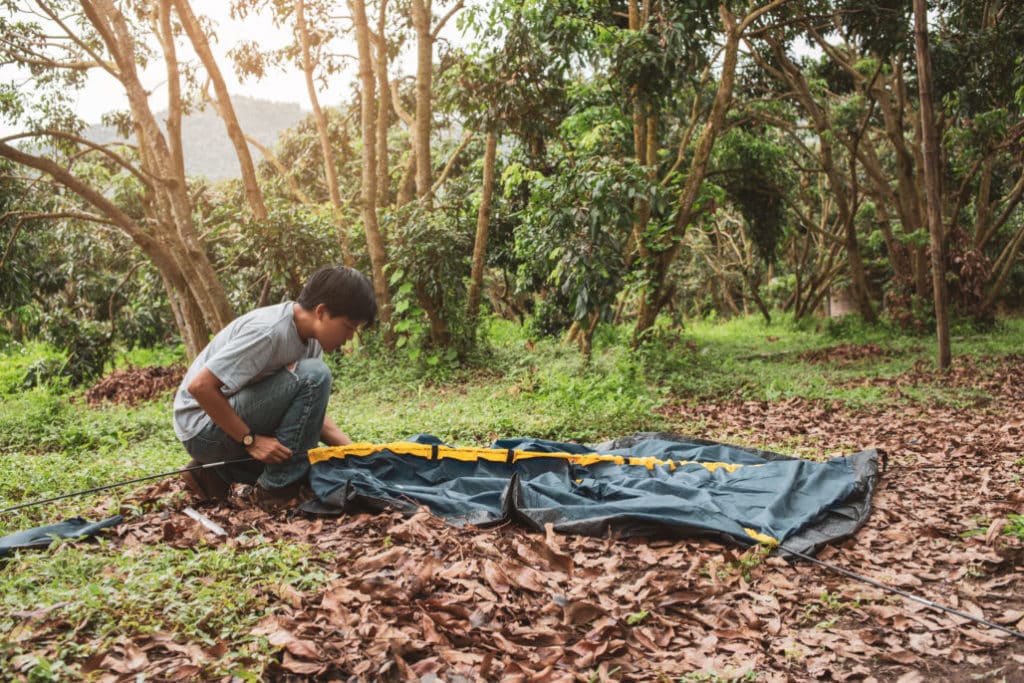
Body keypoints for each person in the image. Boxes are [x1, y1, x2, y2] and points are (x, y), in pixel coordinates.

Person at [173, 265, 377, 502]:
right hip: (201, 428)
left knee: (312, 462)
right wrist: (251, 441)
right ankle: (276, 490)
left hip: (226, 424)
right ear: (321, 312)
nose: (350, 337)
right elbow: (200, 387)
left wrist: (358, 453)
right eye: (348, 327)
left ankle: (212, 475)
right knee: (314, 376)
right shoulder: (269, 331)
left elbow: (311, 414)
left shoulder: (310, 339)